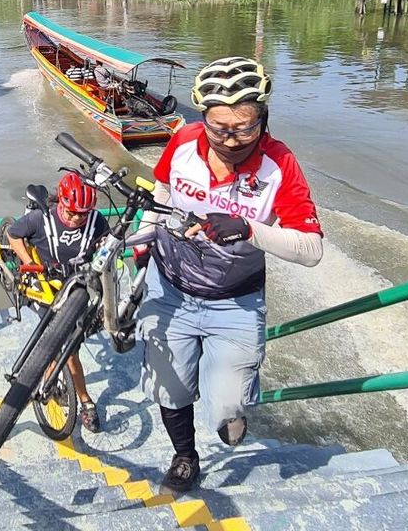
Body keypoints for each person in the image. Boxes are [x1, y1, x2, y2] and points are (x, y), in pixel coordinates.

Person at [136, 56, 324, 494]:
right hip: (171, 287)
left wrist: (249, 228)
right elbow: (161, 191)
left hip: (235, 299)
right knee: (170, 389)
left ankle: (231, 400)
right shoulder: (184, 140)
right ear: (203, 117)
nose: (231, 140)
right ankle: (185, 457)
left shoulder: (279, 164)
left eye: (244, 128)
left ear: (263, 118)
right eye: (219, 128)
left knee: (225, 412)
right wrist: (143, 242)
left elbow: (312, 249)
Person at [5, 170, 111, 432]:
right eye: (71, 213)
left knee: (66, 344)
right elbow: (13, 234)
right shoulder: (40, 219)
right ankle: (85, 400)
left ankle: (54, 378)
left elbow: (105, 246)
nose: (76, 219)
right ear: (60, 202)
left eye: (82, 215)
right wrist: (29, 263)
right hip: (47, 286)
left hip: (78, 288)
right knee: (67, 348)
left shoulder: (96, 221)